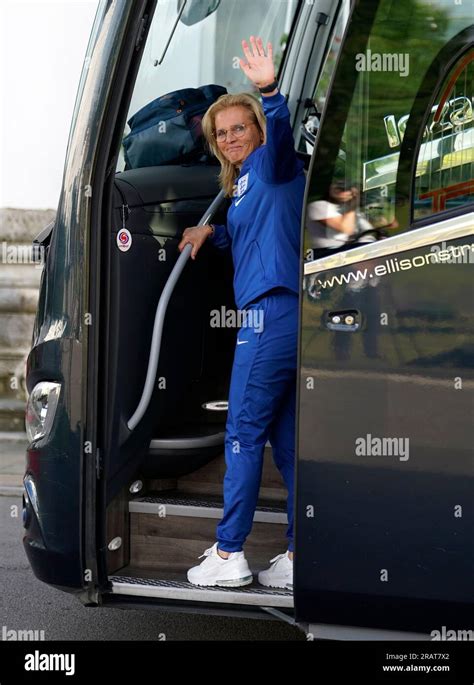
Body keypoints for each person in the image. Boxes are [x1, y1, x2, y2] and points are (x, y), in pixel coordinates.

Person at [177, 35, 305, 590]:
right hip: (284, 314)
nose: (230, 138)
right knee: (289, 440)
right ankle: (301, 557)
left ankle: (229, 554)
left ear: (256, 129)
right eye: (220, 133)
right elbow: (252, 235)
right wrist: (215, 230)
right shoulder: (246, 186)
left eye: (239, 127)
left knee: (242, 432)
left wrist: (270, 90)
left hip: (269, 313)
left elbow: (280, 139)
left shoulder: (275, 164)